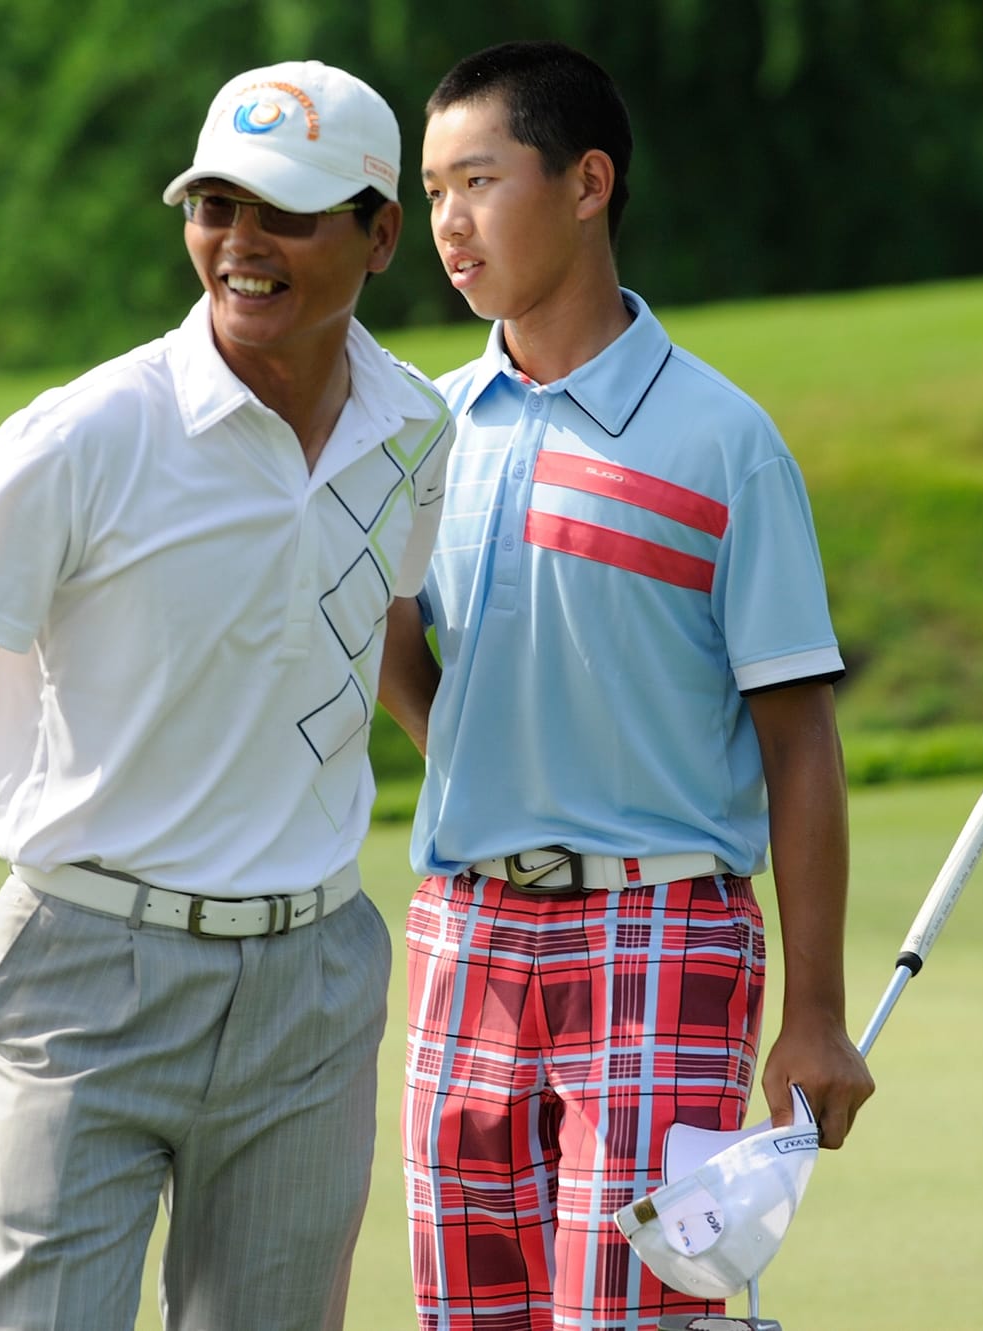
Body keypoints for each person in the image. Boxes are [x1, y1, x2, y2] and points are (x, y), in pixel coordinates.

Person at [0, 59, 450, 1331]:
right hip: (88, 968)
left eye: (284, 211)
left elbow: (375, 621)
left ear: (380, 231)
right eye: (213, 204)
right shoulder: (85, 435)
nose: (239, 244)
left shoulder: (411, 427)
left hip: (311, 979)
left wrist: (489, 768)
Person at [379, 41, 875, 1331]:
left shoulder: (722, 440)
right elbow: (387, 640)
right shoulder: (431, 432)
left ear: (587, 181)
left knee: (633, 1318)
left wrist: (813, 1012)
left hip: (665, 934)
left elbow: (799, 741)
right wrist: (475, 758)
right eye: (431, 189)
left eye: (477, 181)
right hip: (465, 936)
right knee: (465, 1313)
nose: (446, 221)